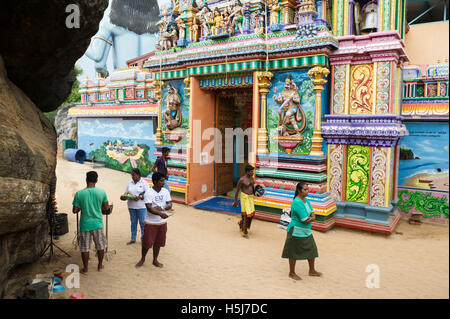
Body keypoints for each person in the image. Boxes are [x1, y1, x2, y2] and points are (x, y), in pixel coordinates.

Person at [281, 182, 322, 280]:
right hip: (296, 230)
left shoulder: (306, 200)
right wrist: (311, 218)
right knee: (293, 252)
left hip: (306, 230)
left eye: (308, 189)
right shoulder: (297, 202)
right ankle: (291, 273)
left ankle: (312, 270)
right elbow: (305, 219)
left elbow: (312, 214)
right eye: (305, 189)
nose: (307, 191)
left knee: (312, 249)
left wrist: (311, 218)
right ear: (299, 191)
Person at [72, 171, 110, 275]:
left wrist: (81, 206)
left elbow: (74, 210)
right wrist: (99, 206)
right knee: (100, 245)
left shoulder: (79, 194)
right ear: (97, 180)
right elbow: (106, 207)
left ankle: (85, 269)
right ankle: (100, 265)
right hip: (98, 223)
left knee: (85, 248)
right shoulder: (102, 192)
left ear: (86, 179)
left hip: (85, 224)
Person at [136, 172, 172, 268]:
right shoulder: (148, 192)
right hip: (150, 223)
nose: (163, 182)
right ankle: (142, 259)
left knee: (158, 243)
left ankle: (155, 260)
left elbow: (170, 204)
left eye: (163, 180)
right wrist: (161, 213)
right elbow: (149, 208)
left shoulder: (165, 191)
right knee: (147, 243)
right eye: (161, 181)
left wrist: (161, 207)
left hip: (162, 223)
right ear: (155, 181)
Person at [120, 168, 150, 245]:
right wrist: (124, 197)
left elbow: (148, 194)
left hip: (141, 207)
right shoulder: (129, 183)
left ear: (138, 175)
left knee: (142, 223)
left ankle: (143, 239)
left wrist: (140, 197)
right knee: (133, 223)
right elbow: (126, 193)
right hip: (131, 206)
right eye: (131, 175)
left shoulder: (144, 183)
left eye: (134, 175)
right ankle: (133, 238)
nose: (132, 176)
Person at [233, 165, 256, 238]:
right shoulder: (242, 180)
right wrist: (235, 202)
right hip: (244, 198)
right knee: (245, 215)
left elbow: (254, 188)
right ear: (247, 172)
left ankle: (241, 223)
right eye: (251, 171)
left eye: (253, 171)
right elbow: (237, 191)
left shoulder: (252, 179)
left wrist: (258, 191)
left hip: (250, 198)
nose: (253, 173)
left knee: (251, 215)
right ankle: (244, 231)